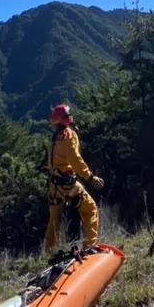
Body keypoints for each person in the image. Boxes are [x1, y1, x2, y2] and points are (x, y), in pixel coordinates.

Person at [44, 103, 104, 254]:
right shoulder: (69, 135)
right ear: (66, 118)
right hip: (68, 185)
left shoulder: (54, 138)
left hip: (54, 187)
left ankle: (49, 252)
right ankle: (89, 247)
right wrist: (90, 177)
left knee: (54, 221)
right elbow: (74, 160)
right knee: (90, 210)